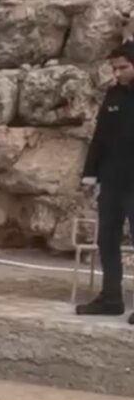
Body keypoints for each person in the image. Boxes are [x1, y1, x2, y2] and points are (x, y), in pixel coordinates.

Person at [77, 41, 134, 319]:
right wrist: (90, 174)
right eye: (114, 68)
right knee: (106, 239)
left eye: (123, 67)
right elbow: (100, 136)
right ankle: (111, 298)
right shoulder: (114, 95)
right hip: (112, 179)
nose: (118, 73)